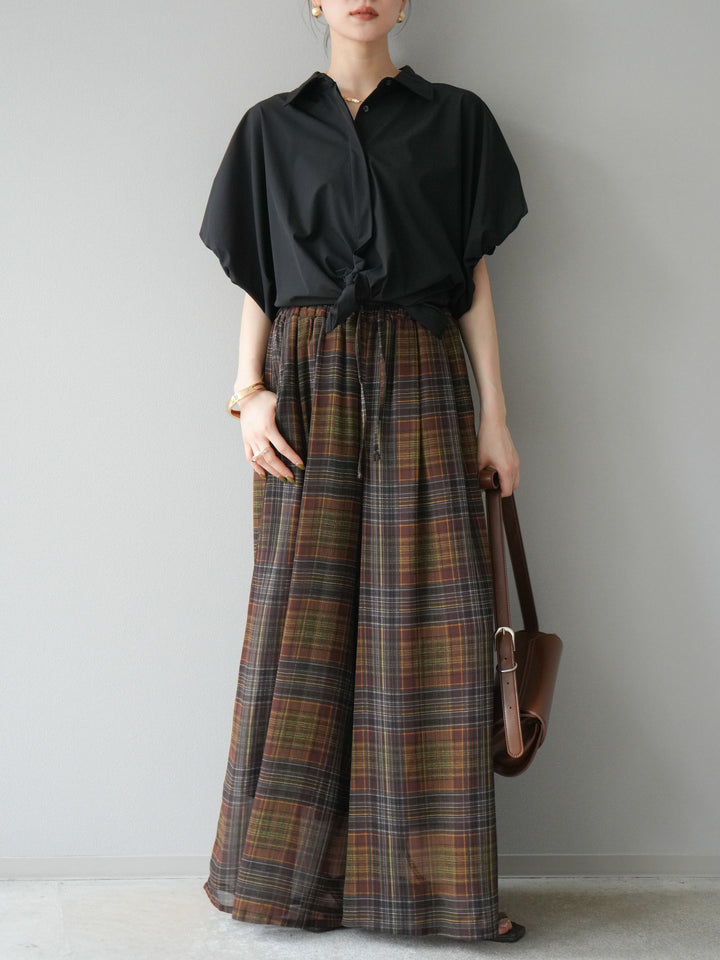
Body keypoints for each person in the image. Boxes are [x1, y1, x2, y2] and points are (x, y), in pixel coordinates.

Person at [198, 0, 528, 944]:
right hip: (305, 382)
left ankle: (440, 893)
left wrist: (496, 420)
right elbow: (262, 279)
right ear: (312, 0)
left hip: (422, 368)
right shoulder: (271, 128)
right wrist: (248, 393)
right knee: (301, 627)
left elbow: (472, 279)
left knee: (432, 627)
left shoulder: (456, 118)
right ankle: (287, 880)